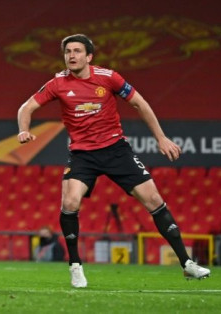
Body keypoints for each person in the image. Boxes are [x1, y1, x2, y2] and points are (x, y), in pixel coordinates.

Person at [17, 33, 210, 288]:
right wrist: (23, 129)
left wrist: (161, 138)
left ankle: (187, 264)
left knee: (153, 200)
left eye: (77, 51)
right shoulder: (58, 83)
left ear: (89, 56)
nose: (71, 56)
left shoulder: (109, 78)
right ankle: (75, 266)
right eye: (67, 52)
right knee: (70, 201)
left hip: (116, 150)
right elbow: (26, 108)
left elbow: (140, 104)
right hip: (82, 154)